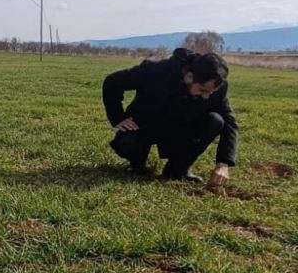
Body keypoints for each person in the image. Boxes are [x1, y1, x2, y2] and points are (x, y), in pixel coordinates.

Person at [102, 47, 238, 185]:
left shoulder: (216, 88)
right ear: (189, 76)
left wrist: (223, 163)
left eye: (211, 92)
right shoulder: (155, 71)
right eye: (203, 90)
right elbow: (112, 82)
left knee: (215, 121)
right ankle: (137, 164)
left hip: (181, 130)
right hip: (145, 126)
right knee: (128, 143)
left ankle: (177, 170)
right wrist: (118, 117)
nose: (206, 96)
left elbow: (229, 121)